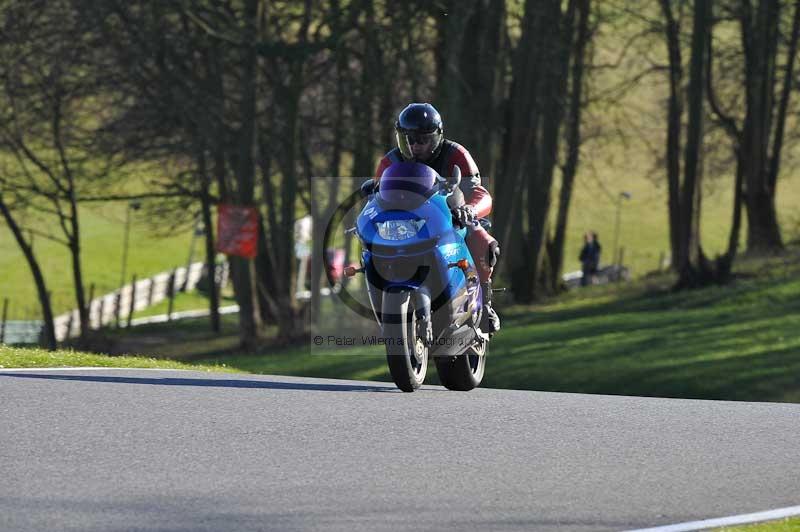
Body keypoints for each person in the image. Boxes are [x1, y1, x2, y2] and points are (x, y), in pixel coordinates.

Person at [372, 103, 501, 333]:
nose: (414, 147)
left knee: (481, 239)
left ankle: (485, 302)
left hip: (451, 217)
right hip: (407, 224)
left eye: (422, 140)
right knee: (371, 248)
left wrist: (469, 209)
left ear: (438, 136)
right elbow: (375, 197)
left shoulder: (456, 154)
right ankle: (387, 307)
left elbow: (478, 191)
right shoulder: (389, 163)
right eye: (408, 140)